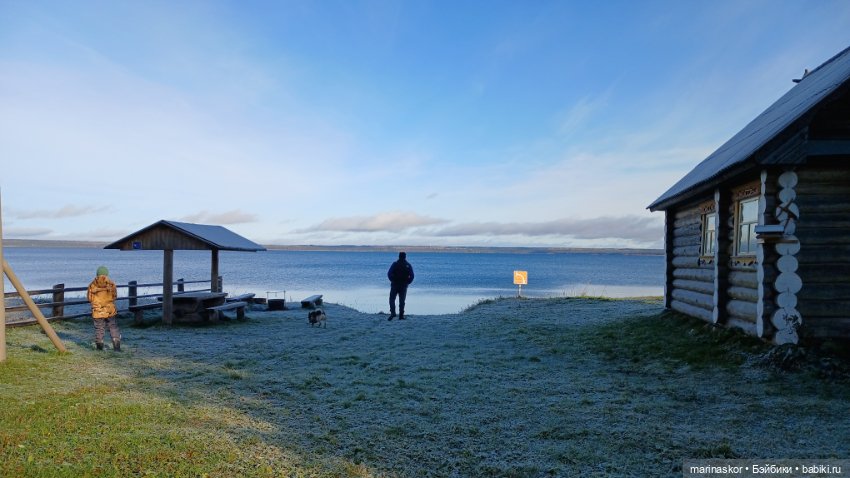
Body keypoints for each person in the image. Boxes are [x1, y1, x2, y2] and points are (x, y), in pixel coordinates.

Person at [87, 266, 121, 351]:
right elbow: (114, 297)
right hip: (109, 310)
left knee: (99, 328)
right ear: (107, 274)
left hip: (97, 311)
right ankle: (116, 346)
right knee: (113, 326)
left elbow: (89, 299)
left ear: (97, 274)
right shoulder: (111, 284)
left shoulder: (92, 285)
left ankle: (99, 347)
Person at [387, 251, 414, 321]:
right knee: (402, 301)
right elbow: (412, 276)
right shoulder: (408, 265)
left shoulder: (395, 264)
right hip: (403, 285)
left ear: (399, 256)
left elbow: (389, 273)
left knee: (392, 299)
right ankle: (401, 315)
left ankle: (393, 313)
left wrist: (392, 280)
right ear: (405, 257)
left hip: (395, 284)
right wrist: (408, 282)